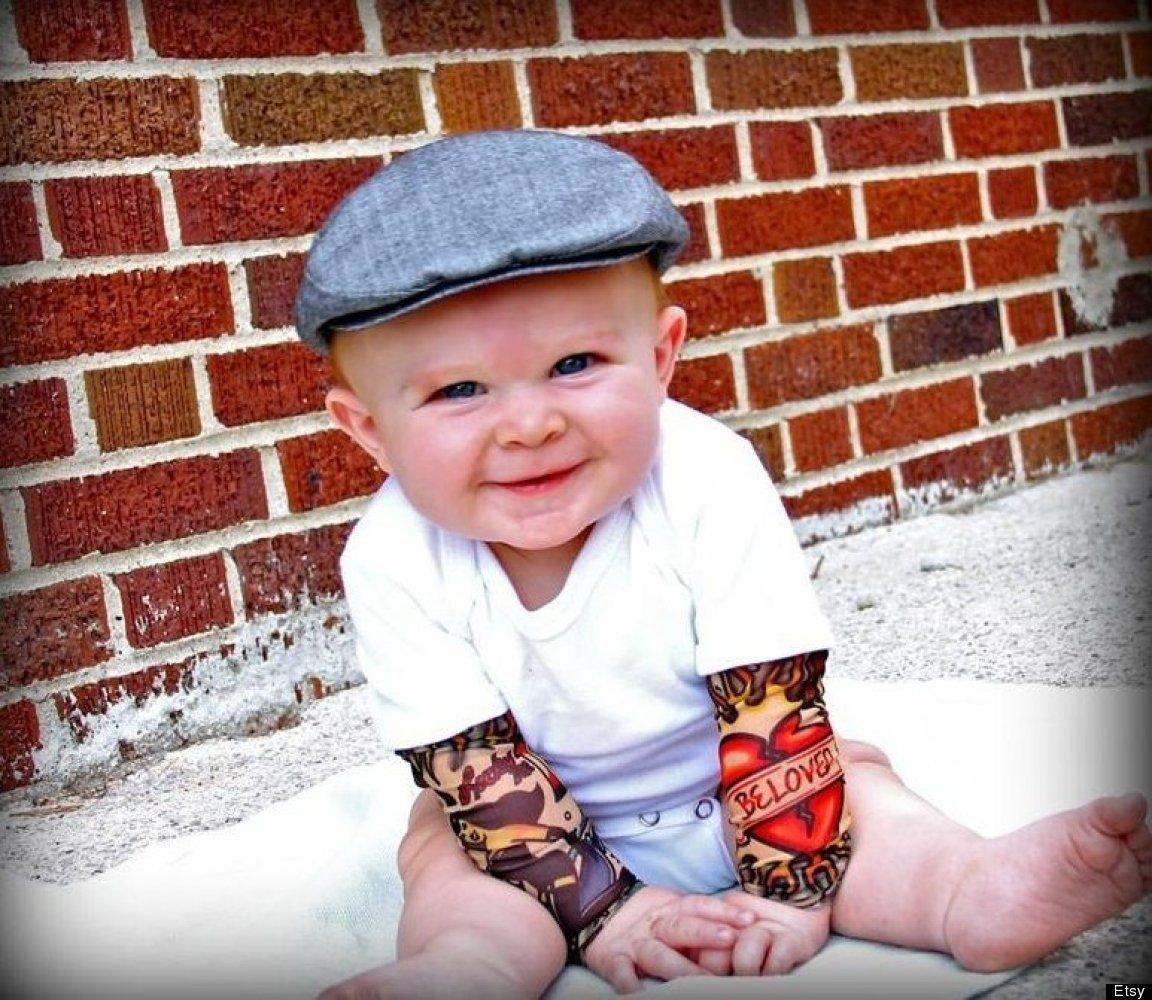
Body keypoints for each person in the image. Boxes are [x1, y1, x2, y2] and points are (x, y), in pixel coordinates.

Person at [294, 130, 1152, 998]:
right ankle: (465, 971)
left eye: (574, 364)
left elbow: (772, 696)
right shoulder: (392, 559)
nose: (529, 425)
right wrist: (606, 912)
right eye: (459, 391)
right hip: (533, 843)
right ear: (370, 430)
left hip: (748, 785)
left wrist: (794, 883)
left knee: (864, 793)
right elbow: (474, 769)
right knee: (442, 856)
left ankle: (968, 889)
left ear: (660, 359)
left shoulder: (706, 475)